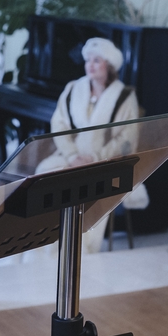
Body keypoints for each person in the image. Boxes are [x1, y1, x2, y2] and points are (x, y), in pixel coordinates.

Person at [35, 37, 146, 253]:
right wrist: (71, 155)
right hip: (72, 157)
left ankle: (78, 251)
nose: (90, 65)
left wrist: (95, 158)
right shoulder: (73, 88)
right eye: (88, 60)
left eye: (97, 60)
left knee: (87, 188)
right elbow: (58, 123)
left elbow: (126, 139)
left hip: (105, 162)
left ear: (109, 65)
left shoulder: (124, 96)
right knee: (45, 179)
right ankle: (46, 245)